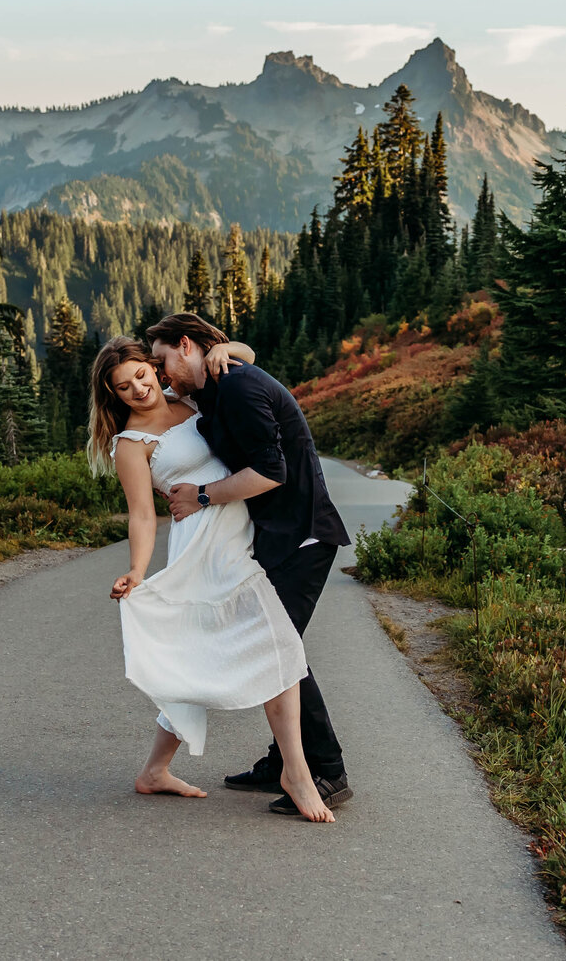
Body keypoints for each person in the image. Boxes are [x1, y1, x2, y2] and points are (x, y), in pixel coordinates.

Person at [87, 336, 335, 823]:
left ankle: (155, 770)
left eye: (141, 375)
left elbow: (243, 363)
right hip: (206, 545)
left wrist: (231, 349)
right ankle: (298, 774)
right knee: (277, 646)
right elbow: (141, 516)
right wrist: (137, 572)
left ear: (155, 368)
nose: (138, 389)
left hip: (243, 528)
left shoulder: (191, 398)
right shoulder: (131, 444)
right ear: (113, 396)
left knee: (206, 656)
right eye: (123, 387)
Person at [146, 313, 353, 816]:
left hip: (302, 536)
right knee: (276, 648)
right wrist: (232, 348)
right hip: (275, 538)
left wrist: (201, 495)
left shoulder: (234, 388)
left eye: (162, 360)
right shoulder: (213, 385)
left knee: (277, 651)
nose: (160, 373)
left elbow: (270, 471)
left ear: (187, 344)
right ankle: (281, 758)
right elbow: (233, 362)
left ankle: (326, 772)